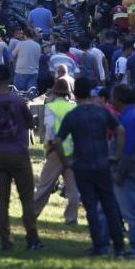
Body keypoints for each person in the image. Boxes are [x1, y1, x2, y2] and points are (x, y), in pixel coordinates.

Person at [55, 77, 127, 257]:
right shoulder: (102, 112)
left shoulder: (73, 115)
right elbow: (120, 130)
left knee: (91, 207)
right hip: (102, 163)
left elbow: (57, 140)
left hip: (82, 165)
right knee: (109, 206)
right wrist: (116, 155)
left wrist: (66, 162)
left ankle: (99, 246)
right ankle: (119, 247)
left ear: (74, 94)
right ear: (91, 92)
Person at [0, 65, 41, 251]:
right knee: (27, 198)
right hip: (19, 153)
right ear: (9, 79)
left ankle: (5, 239)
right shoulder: (18, 102)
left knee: (2, 199)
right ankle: (32, 239)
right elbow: (30, 123)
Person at [34, 78, 81, 225]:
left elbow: (50, 129)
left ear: (54, 92)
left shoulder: (51, 107)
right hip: (71, 152)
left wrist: (48, 148)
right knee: (73, 190)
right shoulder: (74, 108)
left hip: (55, 150)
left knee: (44, 187)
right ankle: (71, 217)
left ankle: (31, 212)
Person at [111, 84, 135, 258]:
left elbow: (128, 149)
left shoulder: (128, 119)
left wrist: (120, 173)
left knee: (132, 212)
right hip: (130, 169)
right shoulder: (130, 115)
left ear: (119, 99)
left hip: (128, 172)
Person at [9, 26, 42, 93]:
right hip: (33, 72)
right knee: (31, 94)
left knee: (19, 93)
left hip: (21, 71)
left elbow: (12, 55)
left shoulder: (20, 44)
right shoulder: (38, 46)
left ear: (25, 35)